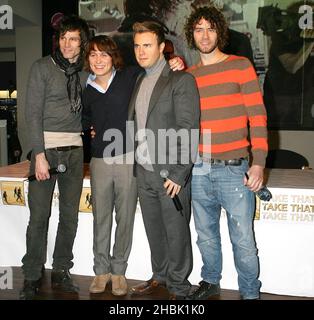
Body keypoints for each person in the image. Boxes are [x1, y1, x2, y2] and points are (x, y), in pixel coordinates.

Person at [82, 35, 185, 296]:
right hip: (99, 160)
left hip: (129, 158)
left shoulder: (130, 76)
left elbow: (158, 69)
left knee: (124, 218)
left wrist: (176, 61)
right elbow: (85, 120)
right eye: (93, 55)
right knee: (101, 218)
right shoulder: (88, 87)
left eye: (104, 54)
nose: (98, 60)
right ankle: (100, 271)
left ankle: (118, 272)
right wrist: (91, 131)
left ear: (113, 56)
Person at [184, 6, 268, 300]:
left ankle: (249, 292)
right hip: (199, 169)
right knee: (205, 236)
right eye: (198, 29)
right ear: (191, 35)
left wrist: (258, 163)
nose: (204, 35)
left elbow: (257, 116)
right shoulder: (189, 76)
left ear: (219, 31)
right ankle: (210, 282)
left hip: (235, 169)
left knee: (243, 241)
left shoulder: (240, 65)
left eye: (210, 28)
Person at [20, 15, 90, 300]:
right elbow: (31, 115)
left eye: (73, 38)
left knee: (69, 217)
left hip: (75, 151)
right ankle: (32, 275)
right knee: (39, 217)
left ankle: (61, 269)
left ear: (81, 42)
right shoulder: (42, 67)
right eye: (63, 38)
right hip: (45, 151)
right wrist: (38, 155)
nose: (67, 44)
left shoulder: (85, 71)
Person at [128, 21, 200, 300]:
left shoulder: (181, 79)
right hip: (144, 171)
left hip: (171, 173)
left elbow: (188, 129)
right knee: (154, 231)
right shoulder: (139, 80)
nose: (141, 51)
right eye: (137, 45)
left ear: (161, 48)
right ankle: (159, 277)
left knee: (176, 232)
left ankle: (179, 287)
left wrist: (179, 173)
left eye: (147, 45)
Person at [263, 1, 314, 128]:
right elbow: (292, 66)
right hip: (281, 98)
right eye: (306, 16)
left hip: (305, 96)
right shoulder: (281, 38)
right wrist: (310, 42)